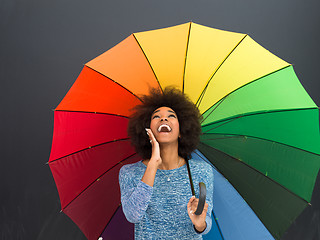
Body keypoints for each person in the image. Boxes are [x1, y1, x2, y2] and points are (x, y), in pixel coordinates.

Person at [119, 87, 214, 239]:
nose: (164, 119)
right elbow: (133, 216)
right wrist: (153, 164)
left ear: (182, 130)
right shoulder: (129, 172)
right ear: (147, 129)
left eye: (171, 116)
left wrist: (200, 223)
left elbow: (206, 221)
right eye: (156, 116)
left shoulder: (201, 171)